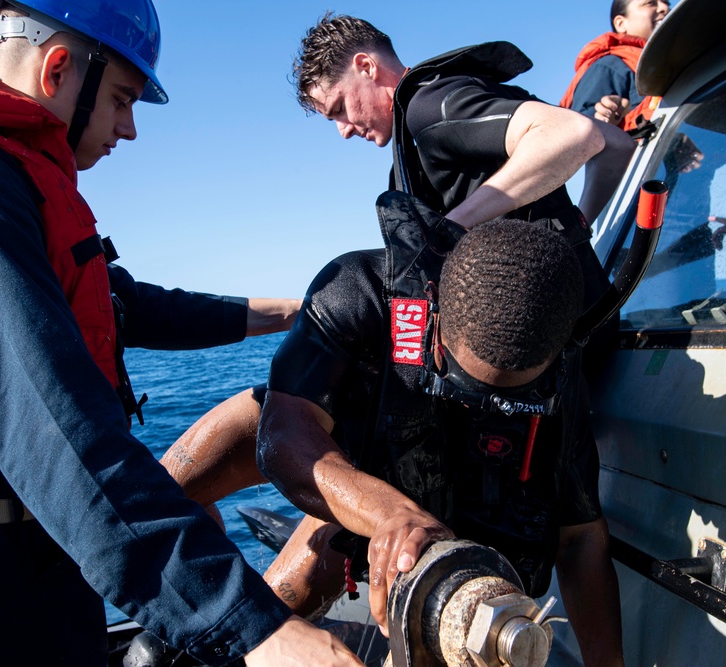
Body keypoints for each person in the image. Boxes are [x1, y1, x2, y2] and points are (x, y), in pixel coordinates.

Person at [0, 2, 361, 665]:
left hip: (27, 565)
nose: (129, 128)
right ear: (59, 68)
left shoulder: (7, 184)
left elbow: (130, 306)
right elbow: (58, 436)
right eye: (123, 99)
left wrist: (294, 311)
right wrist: (259, 629)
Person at [160, 12, 634, 518]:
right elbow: (618, 145)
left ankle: (161, 508)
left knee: (274, 412)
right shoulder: (412, 146)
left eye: (339, 108)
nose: (343, 131)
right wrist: (577, 223)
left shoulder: (427, 106)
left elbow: (574, 135)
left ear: (366, 66)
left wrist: (449, 228)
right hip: (582, 332)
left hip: (539, 349)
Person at [256, 196, 624, 665]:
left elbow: (581, 537)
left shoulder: (561, 371)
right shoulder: (361, 291)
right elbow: (282, 436)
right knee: (245, 415)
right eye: (467, 387)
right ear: (434, 320)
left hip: (477, 563)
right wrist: (391, 514)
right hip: (366, 491)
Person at [559, 0, 670, 129]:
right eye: (650, 3)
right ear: (621, 24)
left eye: (667, 3)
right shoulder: (609, 66)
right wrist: (605, 118)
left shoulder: (676, 63)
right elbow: (582, 131)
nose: (664, 8)